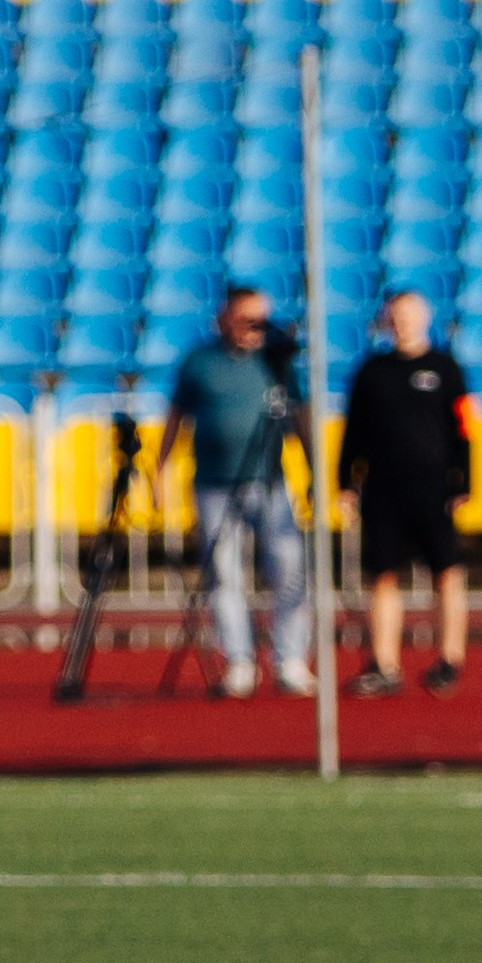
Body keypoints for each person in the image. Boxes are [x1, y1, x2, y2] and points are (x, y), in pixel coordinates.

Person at [155, 285, 317, 698]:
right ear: (226, 317)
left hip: (270, 481)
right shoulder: (200, 362)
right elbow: (176, 416)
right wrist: (161, 469)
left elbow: (299, 415)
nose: (254, 329)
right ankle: (240, 660)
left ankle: (290, 657)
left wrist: (317, 470)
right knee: (223, 575)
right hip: (214, 484)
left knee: (289, 568)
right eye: (246, 319)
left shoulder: (275, 361)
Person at [336, 289, 473, 698]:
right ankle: (384, 664)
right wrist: (345, 482)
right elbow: (353, 431)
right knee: (383, 575)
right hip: (383, 489)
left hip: (434, 490)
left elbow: (464, 429)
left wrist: (464, 481)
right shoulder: (372, 371)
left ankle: (450, 658)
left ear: (425, 317)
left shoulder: (446, 369)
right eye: (395, 315)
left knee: (446, 572)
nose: (402, 322)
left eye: (409, 314)